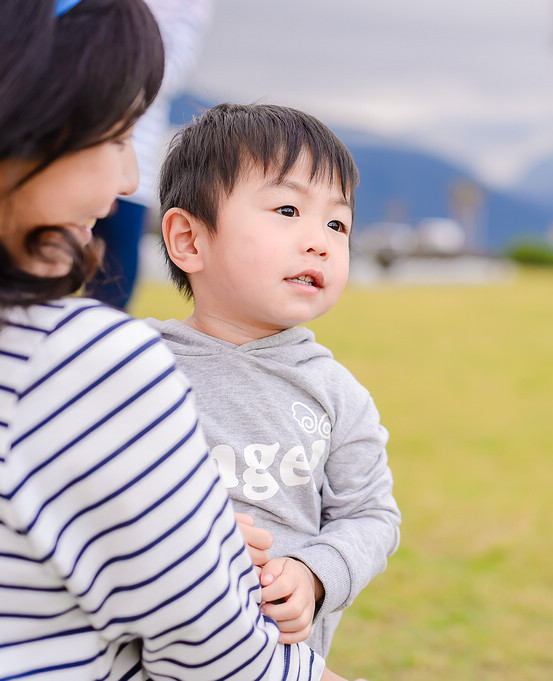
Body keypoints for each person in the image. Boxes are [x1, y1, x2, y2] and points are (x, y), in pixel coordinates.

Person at [0, 2, 350, 679]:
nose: (129, 181)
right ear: (4, 139)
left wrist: (190, 530)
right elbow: (226, 661)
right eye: (118, 136)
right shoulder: (91, 368)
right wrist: (202, 553)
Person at [150, 103, 402, 657]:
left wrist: (314, 573)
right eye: (288, 209)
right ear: (189, 240)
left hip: (275, 659)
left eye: (337, 223)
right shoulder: (134, 369)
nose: (320, 241)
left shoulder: (336, 394)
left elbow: (371, 515)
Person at [84, 0, 214, 310]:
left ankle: (102, 348)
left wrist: (102, 68)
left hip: (137, 155)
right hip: (66, 144)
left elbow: (171, 70)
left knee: (114, 281)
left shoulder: (189, 6)